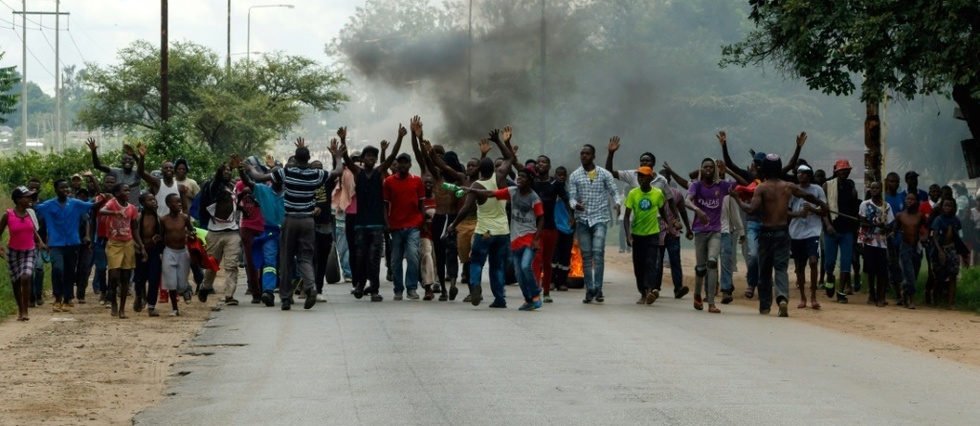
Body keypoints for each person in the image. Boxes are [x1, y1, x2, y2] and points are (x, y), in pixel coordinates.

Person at [248, 138, 345, 310]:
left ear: (295, 158)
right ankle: (311, 286)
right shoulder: (316, 174)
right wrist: (337, 156)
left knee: (285, 258)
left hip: (290, 219)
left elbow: (258, 177)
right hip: (308, 220)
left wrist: (249, 168)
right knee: (305, 257)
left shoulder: (287, 173)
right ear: (308, 159)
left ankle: (286, 298)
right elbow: (337, 171)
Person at [738, 153, 829, 317]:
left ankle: (765, 305)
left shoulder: (762, 188)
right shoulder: (788, 186)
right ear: (780, 169)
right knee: (781, 268)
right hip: (782, 232)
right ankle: (782, 298)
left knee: (765, 270)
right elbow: (807, 195)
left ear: (764, 169)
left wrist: (737, 199)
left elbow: (751, 209)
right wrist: (823, 205)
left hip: (766, 233)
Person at [450, 128, 516, 307]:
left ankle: (476, 285)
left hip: (484, 230)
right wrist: (498, 141)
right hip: (502, 231)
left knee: (476, 261)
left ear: (480, 169)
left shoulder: (476, 185)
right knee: (497, 266)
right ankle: (499, 299)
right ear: (494, 168)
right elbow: (510, 158)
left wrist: (453, 224)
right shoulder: (501, 177)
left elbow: (465, 209)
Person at [466, 166, 544, 310]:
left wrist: (536, 239)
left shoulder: (534, 198)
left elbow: (541, 218)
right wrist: (473, 190)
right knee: (518, 273)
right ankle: (529, 300)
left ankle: (535, 293)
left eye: (523, 177)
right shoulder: (512, 192)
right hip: (514, 239)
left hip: (529, 238)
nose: (519, 179)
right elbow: (491, 193)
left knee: (526, 266)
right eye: (518, 176)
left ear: (530, 180)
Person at [35, 179, 109, 313]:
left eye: (66, 188)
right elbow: (35, 208)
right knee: (58, 269)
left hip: (73, 243)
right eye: (62, 188)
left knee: (70, 270)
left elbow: (92, 206)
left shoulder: (75, 203)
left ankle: (68, 298)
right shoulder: (49, 205)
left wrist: (103, 198)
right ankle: (58, 297)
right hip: (56, 244)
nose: (65, 190)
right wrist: (33, 194)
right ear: (56, 189)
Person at [567, 142, 620, 303]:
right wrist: (576, 205)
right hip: (583, 220)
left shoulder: (604, 174)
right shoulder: (575, 175)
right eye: (582, 154)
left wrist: (617, 202)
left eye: (587, 153)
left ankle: (599, 289)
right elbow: (572, 197)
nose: (584, 156)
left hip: (600, 218)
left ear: (593, 156)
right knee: (586, 255)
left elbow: (614, 192)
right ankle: (590, 290)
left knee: (598, 252)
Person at [687, 158, 739, 313]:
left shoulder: (721, 186)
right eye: (705, 167)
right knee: (701, 268)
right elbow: (687, 201)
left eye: (711, 167)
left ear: (715, 170)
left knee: (712, 262)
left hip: (715, 231)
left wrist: (727, 170)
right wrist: (698, 210)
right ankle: (697, 294)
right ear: (701, 170)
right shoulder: (696, 185)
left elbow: (744, 182)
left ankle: (711, 302)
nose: (708, 169)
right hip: (699, 231)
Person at [241, 155, 286, 307]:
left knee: (288, 263)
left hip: (288, 231)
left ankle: (288, 291)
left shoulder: (291, 192)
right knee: (270, 262)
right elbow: (248, 182)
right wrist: (242, 171)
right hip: (270, 232)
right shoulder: (263, 190)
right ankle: (268, 291)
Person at [196, 162, 242, 310]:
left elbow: (234, 204)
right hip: (215, 232)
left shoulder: (232, 187)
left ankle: (229, 295)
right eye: (225, 170)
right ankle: (205, 286)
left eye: (229, 170)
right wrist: (218, 173)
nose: (227, 172)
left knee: (231, 265)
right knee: (212, 264)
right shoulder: (213, 187)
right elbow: (216, 184)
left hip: (232, 232)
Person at [384, 148, 426, 301]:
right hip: (395, 226)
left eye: (405, 163)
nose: (402, 165)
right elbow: (385, 204)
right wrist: (386, 222)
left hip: (413, 225)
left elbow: (422, 202)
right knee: (395, 260)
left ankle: (411, 288)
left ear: (409, 164)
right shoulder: (389, 182)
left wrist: (422, 220)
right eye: (400, 163)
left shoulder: (417, 181)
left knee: (413, 256)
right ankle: (398, 289)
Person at [623, 166, 668, 305]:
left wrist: (671, 227)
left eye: (643, 176)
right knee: (639, 265)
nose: (640, 178)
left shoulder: (658, 193)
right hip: (637, 234)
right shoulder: (633, 194)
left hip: (653, 233)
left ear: (651, 178)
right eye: (639, 176)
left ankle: (649, 291)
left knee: (650, 263)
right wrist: (627, 235)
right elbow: (626, 216)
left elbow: (663, 211)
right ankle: (642, 292)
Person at [1, 186, 47, 321]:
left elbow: (33, 230)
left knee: (26, 277)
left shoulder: (31, 213)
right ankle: (20, 310)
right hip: (13, 252)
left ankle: (26, 311)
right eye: (26, 197)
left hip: (29, 251)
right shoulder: (7, 215)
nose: (30, 199)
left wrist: (40, 242)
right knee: (16, 282)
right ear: (18, 199)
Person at [98, 183, 144, 318]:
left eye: (129, 190)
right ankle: (113, 302)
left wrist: (141, 246)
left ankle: (122, 308)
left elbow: (134, 229)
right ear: (117, 193)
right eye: (125, 190)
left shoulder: (132, 208)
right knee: (113, 276)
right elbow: (102, 211)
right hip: (114, 243)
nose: (128, 193)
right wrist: (114, 213)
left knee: (125, 276)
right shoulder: (112, 204)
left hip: (128, 243)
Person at [788, 165, 826, 309]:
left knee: (813, 261)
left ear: (809, 175)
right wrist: (799, 214)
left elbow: (824, 210)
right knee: (799, 265)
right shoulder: (792, 191)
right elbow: (787, 212)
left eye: (803, 173)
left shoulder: (817, 190)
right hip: (796, 232)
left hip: (813, 231)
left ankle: (814, 296)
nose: (800, 175)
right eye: (798, 173)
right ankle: (803, 297)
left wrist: (813, 210)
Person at [823, 159, 860, 303]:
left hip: (847, 230)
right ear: (836, 172)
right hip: (831, 229)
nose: (844, 172)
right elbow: (823, 208)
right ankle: (830, 278)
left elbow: (854, 207)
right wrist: (828, 225)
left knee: (845, 262)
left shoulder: (851, 186)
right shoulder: (827, 185)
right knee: (830, 262)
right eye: (841, 170)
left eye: (846, 170)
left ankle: (841, 292)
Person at [858, 181, 895, 307]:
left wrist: (886, 227)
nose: (874, 190)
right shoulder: (865, 204)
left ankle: (881, 296)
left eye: (877, 188)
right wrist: (874, 224)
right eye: (872, 188)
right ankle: (872, 294)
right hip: (868, 241)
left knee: (881, 271)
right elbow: (862, 222)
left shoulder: (886, 206)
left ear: (881, 190)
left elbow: (891, 224)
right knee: (871, 269)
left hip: (881, 243)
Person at [160, 193, 196, 316]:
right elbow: (161, 235)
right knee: (171, 283)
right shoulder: (164, 220)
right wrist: (160, 250)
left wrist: (192, 234)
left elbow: (191, 229)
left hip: (182, 252)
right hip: (169, 251)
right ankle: (175, 309)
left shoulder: (184, 218)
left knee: (181, 283)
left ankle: (185, 290)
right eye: (176, 202)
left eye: (180, 201)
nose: (179, 204)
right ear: (169, 204)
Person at [931, 198, 967, 309]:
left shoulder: (956, 220)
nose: (947, 208)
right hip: (940, 248)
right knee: (939, 276)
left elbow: (960, 237)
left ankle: (951, 302)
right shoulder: (938, 220)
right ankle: (935, 297)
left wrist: (964, 254)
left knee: (953, 275)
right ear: (942, 207)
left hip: (952, 249)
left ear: (954, 208)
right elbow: (934, 236)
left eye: (950, 206)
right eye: (945, 206)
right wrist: (940, 251)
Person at [133, 192, 164, 316]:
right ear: (143, 203)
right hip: (140, 251)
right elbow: (133, 235)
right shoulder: (138, 218)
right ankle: (139, 295)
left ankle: (151, 306)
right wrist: (141, 248)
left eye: (154, 199)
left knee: (154, 278)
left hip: (154, 251)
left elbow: (163, 236)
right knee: (139, 278)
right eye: (149, 200)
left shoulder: (159, 219)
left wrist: (159, 238)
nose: (153, 202)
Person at [86, 138, 141, 204]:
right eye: (125, 159)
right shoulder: (116, 172)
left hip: (134, 207)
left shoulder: (137, 173)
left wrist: (134, 155)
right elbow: (98, 166)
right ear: (121, 161)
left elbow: (141, 166)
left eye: (130, 159)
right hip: (118, 208)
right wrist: (94, 151)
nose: (127, 160)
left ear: (134, 161)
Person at [895, 192, 927, 309]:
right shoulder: (900, 215)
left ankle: (904, 292)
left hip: (916, 247)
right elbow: (895, 229)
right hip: (905, 247)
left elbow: (927, 227)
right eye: (907, 199)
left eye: (912, 199)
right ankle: (911, 299)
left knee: (915, 272)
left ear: (917, 202)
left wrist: (924, 236)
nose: (909, 201)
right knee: (909, 272)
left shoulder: (920, 216)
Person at [551, 166, 575, 293]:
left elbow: (573, 206)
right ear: (554, 176)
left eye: (563, 175)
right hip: (554, 227)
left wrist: (573, 219)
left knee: (565, 256)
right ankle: (551, 281)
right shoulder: (552, 191)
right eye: (558, 174)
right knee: (554, 255)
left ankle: (562, 281)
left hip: (568, 228)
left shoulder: (569, 193)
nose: (561, 177)